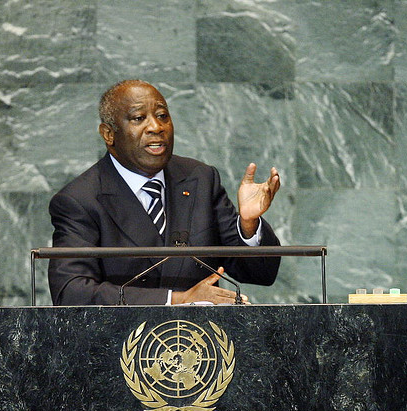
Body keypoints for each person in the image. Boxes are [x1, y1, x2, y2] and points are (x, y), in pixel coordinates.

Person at [48, 80, 281, 305]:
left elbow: (260, 273)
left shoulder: (199, 178)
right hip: (125, 331)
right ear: (109, 134)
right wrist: (176, 300)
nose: (156, 127)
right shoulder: (80, 200)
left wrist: (248, 225)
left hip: (199, 331)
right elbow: (71, 292)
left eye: (162, 116)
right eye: (139, 118)